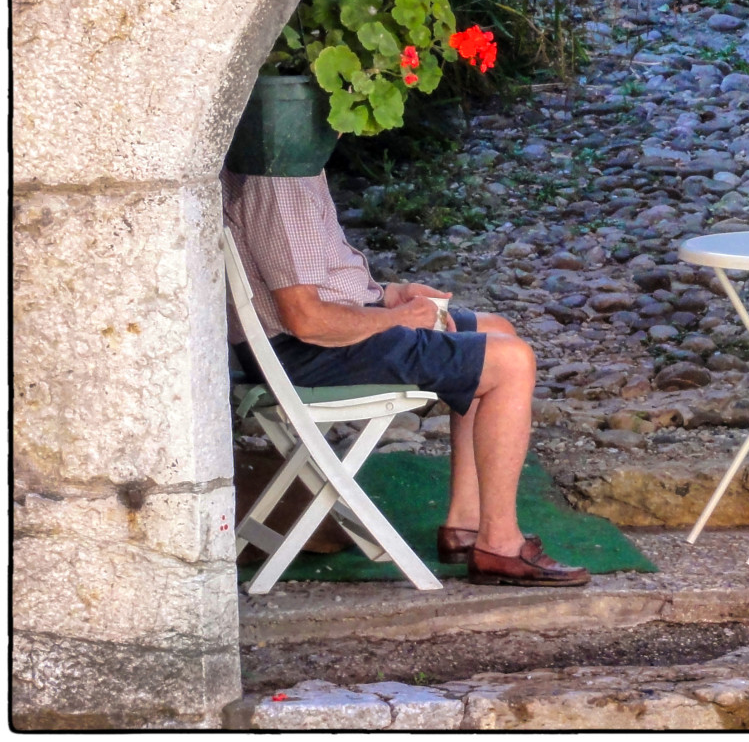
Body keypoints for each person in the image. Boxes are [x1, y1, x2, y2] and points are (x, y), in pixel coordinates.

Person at [223, 168, 589, 587]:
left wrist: (386, 294)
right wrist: (397, 319)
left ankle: (466, 525)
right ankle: (500, 545)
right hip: (308, 352)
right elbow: (307, 320)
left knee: (498, 330)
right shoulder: (279, 178)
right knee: (511, 362)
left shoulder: (289, 167)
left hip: (318, 338)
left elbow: (311, 284)